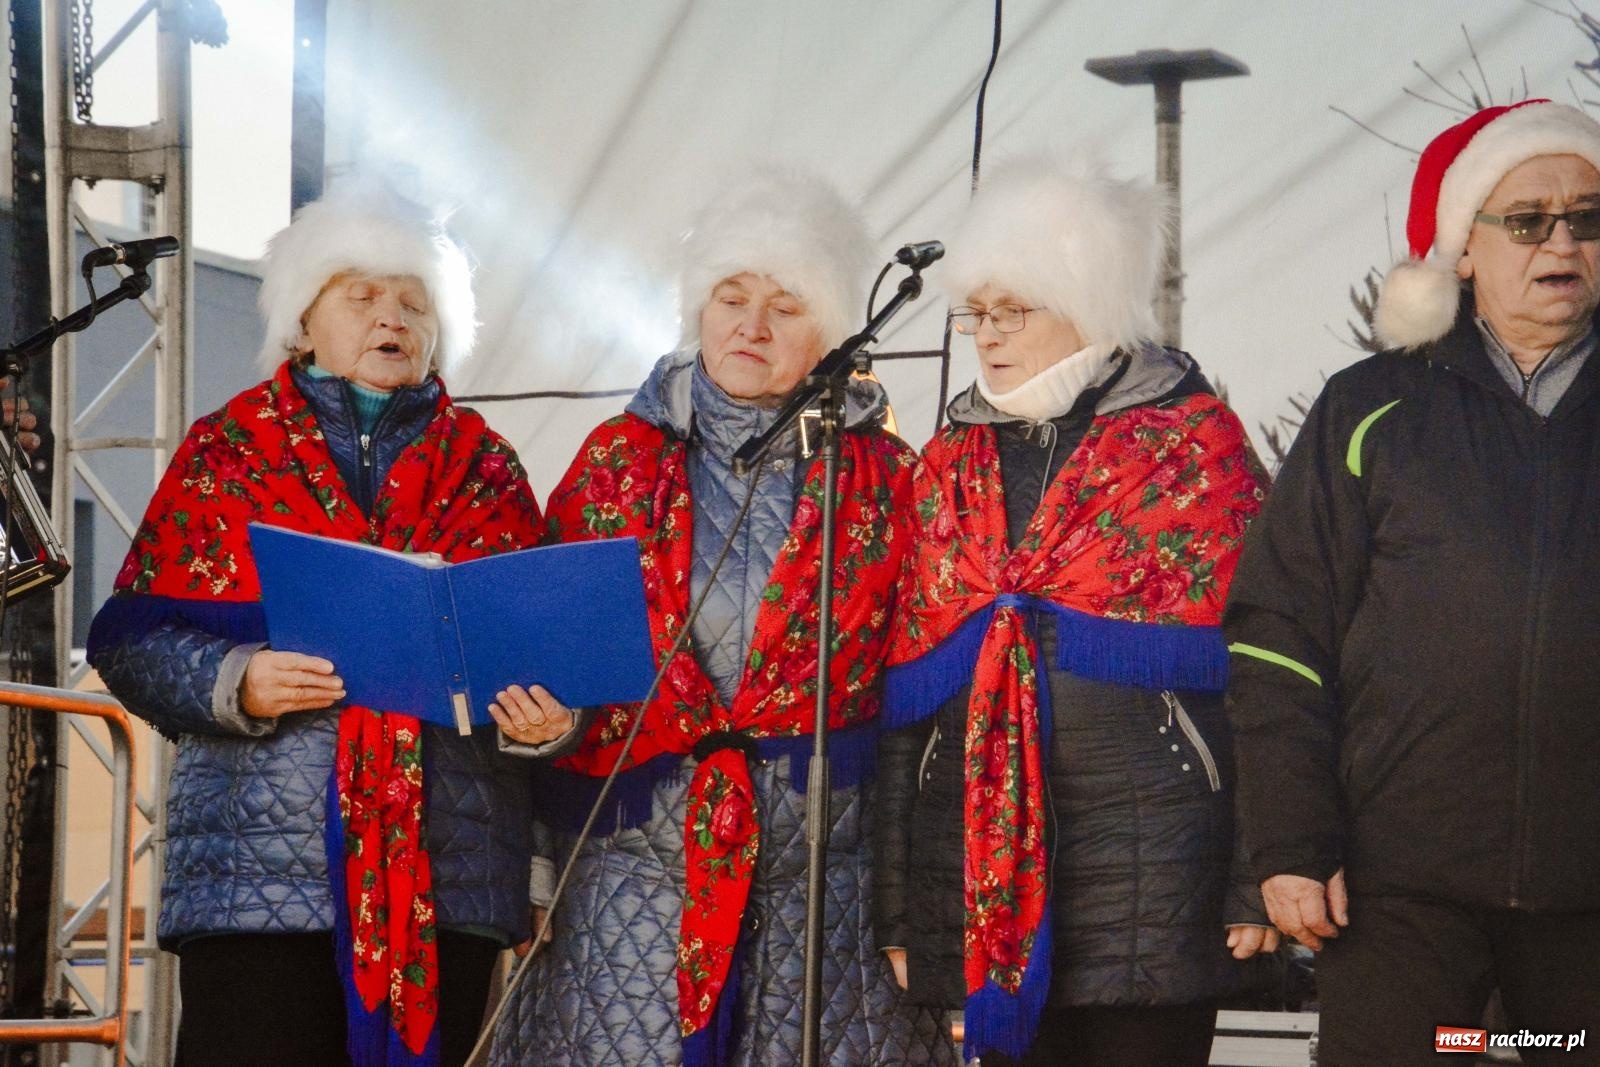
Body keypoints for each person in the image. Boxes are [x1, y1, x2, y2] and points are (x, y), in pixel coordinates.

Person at [87, 181, 572, 1067]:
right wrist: (237, 680)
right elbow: (129, 640)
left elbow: (539, 659)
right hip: (259, 885)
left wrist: (544, 723)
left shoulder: (488, 469)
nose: (391, 318)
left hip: (450, 877)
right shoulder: (228, 450)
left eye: (413, 302)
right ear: (304, 322)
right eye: (362, 296)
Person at [490, 169, 957, 1067]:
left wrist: (916, 902)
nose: (752, 325)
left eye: (786, 306)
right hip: (630, 891)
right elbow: (551, 664)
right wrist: (550, 731)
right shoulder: (616, 463)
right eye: (731, 298)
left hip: (829, 900)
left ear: (831, 332)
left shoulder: (891, 481)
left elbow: (924, 708)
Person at [1225, 99, 1600, 1067]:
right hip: (1400, 892)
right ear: (1464, 249)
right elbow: (1280, 635)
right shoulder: (1369, 408)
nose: (1563, 242)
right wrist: (1289, 842)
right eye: (1528, 220)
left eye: (1587, 217)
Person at [875, 156, 1273, 1067]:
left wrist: (1257, 873)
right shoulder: (946, 465)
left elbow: (1267, 676)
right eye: (975, 312)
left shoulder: (1194, 446)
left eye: (1013, 310)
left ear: (1086, 303)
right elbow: (907, 708)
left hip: (1161, 878)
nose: (986, 334)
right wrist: (902, 907)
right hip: (982, 877)